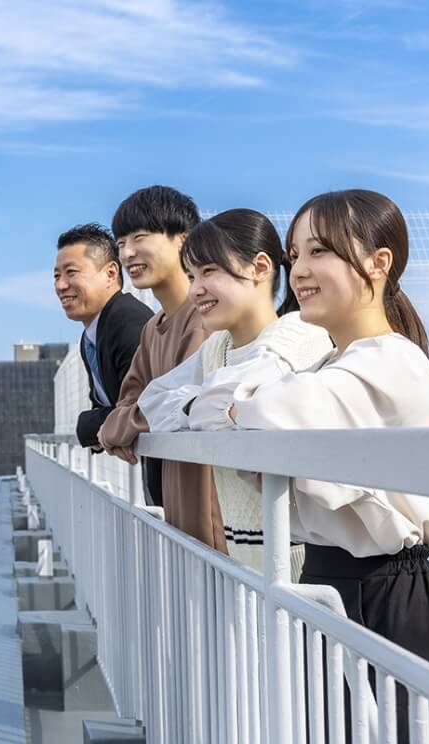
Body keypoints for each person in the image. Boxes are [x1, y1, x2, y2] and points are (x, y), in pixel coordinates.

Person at [188, 189, 429, 743]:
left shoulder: (393, 360)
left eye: (320, 251)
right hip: (330, 582)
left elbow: (268, 409)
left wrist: (240, 407)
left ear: (378, 262)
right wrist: (242, 408)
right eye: (296, 255)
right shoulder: (327, 363)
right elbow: (206, 408)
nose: (301, 271)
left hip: (390, 592)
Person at [137, 209, 331, 574]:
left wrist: (200, 404)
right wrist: (203, 405)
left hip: (297, 563)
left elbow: (236, 395)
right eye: (191, 275)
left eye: (209, 272)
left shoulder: (300, 334)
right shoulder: (217, 348)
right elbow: (152, 401)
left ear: (260, 268)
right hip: (242, 558)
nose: (195, 289)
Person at [98, 185, 226, 550]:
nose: (127, 252)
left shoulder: (205, 316)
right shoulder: (155, 327)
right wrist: (120, 424)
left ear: (183, 241)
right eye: (121, 243)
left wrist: (116, 429)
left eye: (140, 237)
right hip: (174, 497)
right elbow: (131, 400)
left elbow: (171, 404)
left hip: (209, 501)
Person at [54, 223, 154, 451]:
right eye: (57, 275)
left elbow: (144, 409)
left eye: (71, 272)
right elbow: (107, 410)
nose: (60, 285)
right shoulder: (91, 335)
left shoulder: (128, 322)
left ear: (110, 273)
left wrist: (86, 427)